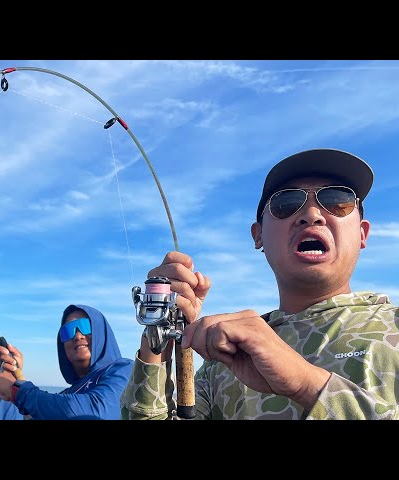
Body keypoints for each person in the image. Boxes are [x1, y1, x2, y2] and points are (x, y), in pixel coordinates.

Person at [121, 148, 399, 420]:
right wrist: (159, 336)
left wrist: (306, 384)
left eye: (338, 201)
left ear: (362, 233)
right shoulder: (226, 361)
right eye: (286, 203)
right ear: (258, 236)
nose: (312, 214)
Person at [0, 303, 133, 420]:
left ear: (101, 331)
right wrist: (11, 379)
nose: (78, 336)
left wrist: (17, 392)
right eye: (68, 331)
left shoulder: (124, 369)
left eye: (85, 326)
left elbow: (99, 412)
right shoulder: (64, 396)